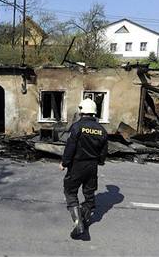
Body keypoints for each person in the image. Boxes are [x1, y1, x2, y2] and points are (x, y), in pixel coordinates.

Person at [59, 98, 108, 240]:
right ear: (94, 113)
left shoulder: (77, 127)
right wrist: (100, 161)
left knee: (70, 191)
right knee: (89, 194)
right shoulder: (102, 130)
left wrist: (64, 163)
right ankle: (85, 219)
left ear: (82, 111)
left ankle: (78, 222)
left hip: (77, 165)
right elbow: (104, 151)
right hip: (92, 166)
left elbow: (70, 147)